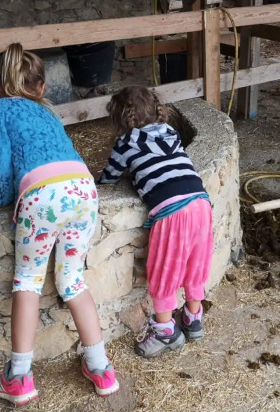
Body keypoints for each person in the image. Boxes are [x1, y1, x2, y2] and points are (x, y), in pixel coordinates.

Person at [0, 43, 118, 405]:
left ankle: (20, 376)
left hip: (43, 196)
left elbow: (1, 164)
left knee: (28, 281)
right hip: (83, 189)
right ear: (41, 87)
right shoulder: (48, 114)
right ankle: (101, 368)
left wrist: (0, 197)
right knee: (73, 281)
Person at [98, 86, 212, 358]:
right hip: (200, 201)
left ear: (121, 118)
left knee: (165, 271)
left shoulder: (125, 143)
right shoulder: (171, 133)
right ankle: (193, 318)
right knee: (196, 264)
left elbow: (108, 179)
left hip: (171, 210)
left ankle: (165, 331)